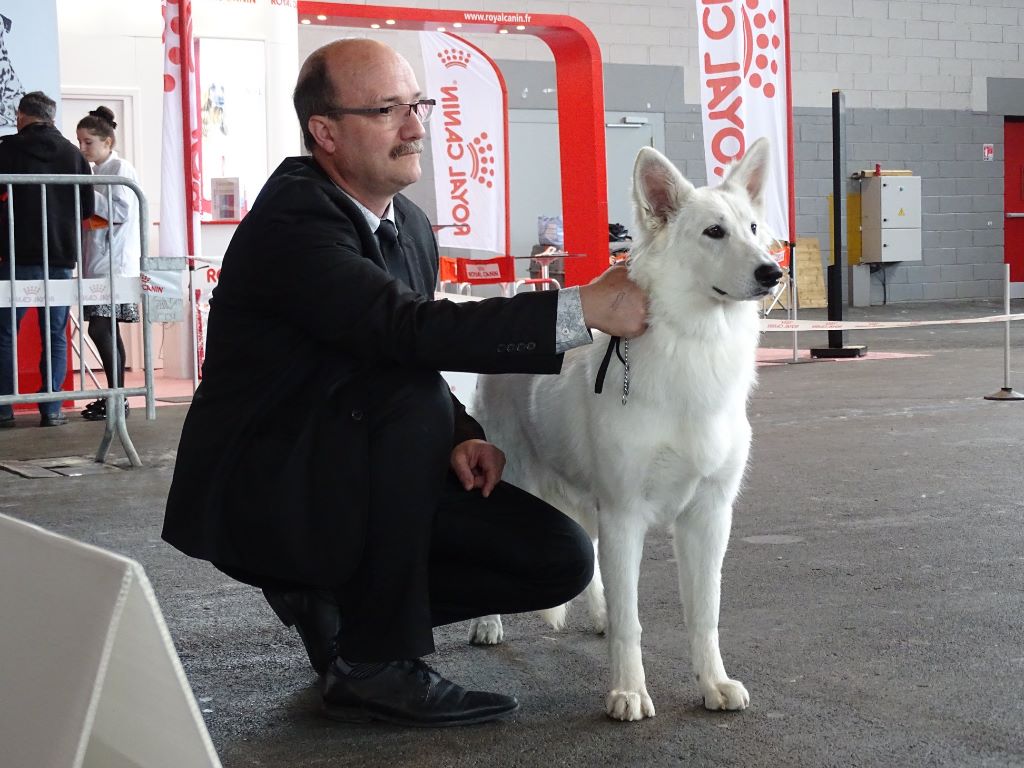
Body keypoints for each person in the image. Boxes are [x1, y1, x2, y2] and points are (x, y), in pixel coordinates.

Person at [162, 38, 647, 728]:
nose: (416, 127)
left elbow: (400, 352)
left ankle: (339, 618)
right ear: (325, 133)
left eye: (418, 105)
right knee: (412, 400)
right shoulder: (294, 220)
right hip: (274, 489)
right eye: (387, 110)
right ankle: (376, 663)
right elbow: (404, 329)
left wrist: (461, 433)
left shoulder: (410, 225)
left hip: (357, 469)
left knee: (558, 557)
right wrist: (580, 309)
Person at [0, 91, 94, 428]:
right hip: (59, 257)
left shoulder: (5, 150)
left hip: (15, 256)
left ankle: (3, 407)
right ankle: (52, 408)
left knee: (4, 333)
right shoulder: (73, 154)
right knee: (55, 333)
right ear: (52, 118)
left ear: (21, 116)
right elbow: (87, 208)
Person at [76, 106, 141, 421]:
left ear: (107, 141)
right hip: (98, 261)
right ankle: (116, 396)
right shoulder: (95, 171)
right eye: (80, 142)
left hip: (114, 263)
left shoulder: (120, 168)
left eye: (88, 142)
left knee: (101, 328)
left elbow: (121, 211)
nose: (82, 148)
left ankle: (117, 396)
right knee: (105, 329)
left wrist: (88, 194)